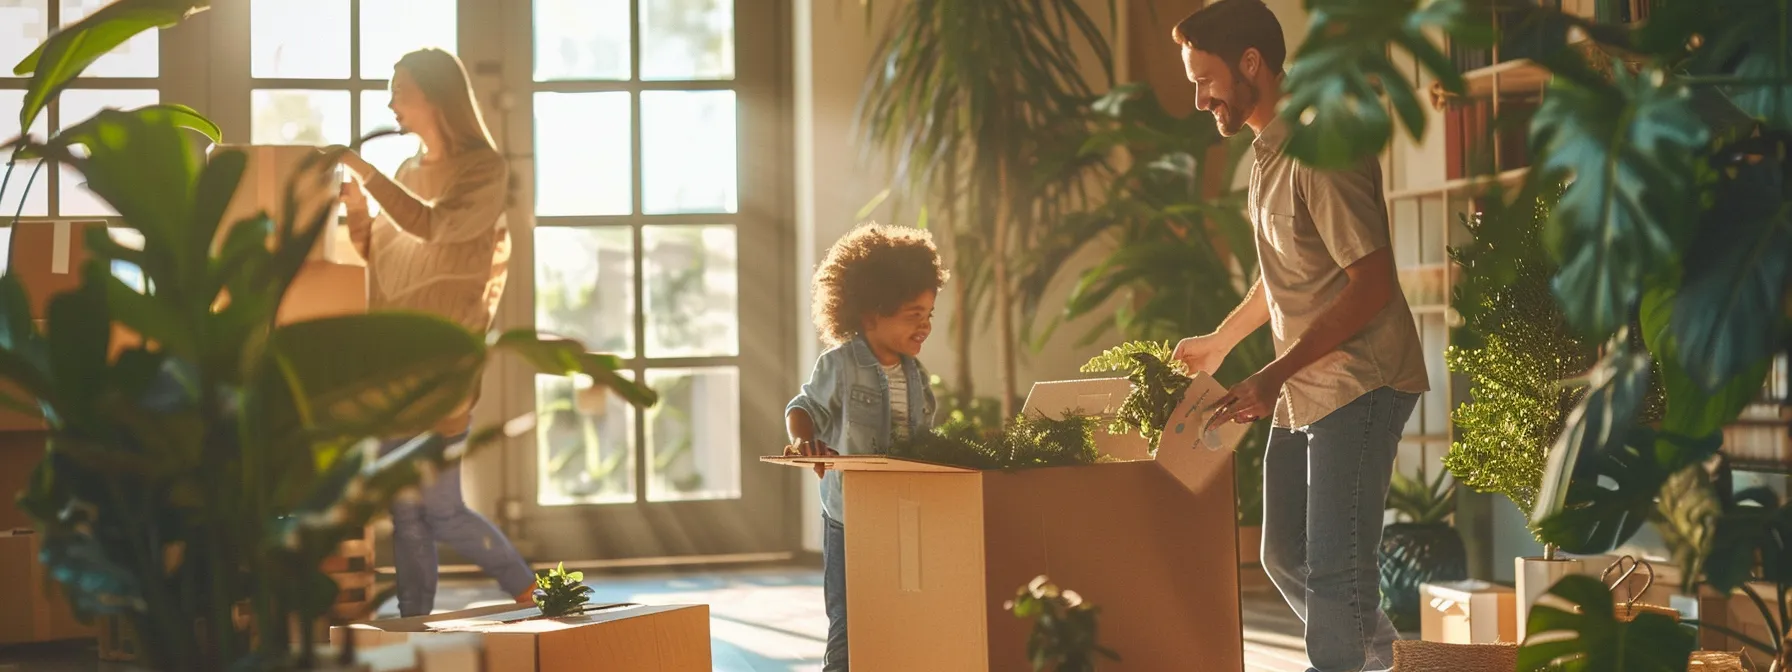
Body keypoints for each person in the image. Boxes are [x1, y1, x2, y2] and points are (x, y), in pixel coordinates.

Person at [1168, 2, 1429, 670]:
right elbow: (1287, 273)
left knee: (1338, 569)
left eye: (1207, 80)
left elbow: (1369, 283)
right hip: (1304, 381)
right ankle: (1391, 663)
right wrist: (1223, 342)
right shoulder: (1266, 152)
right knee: (1282, 551)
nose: (1201, 99)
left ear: (1251, 62)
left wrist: (1273, 373)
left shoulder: (1323, 147)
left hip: (1362, 379)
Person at [334, 47, 536, 618]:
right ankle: (413, 619)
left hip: (445, 365)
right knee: (404, 513)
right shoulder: (404, 173)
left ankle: (533, 591)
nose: (390, 102)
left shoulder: (483, 171)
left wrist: (365, 173)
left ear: (435, 98)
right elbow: (384, 256)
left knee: (442, 509)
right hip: (395, 363)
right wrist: (357, 208)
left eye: (400, 90)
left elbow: (436, 226)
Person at [784, 223, 947, 671]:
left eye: (930, 314)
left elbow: (922, 439)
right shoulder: (840, 364)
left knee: (897, 609)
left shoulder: (916, 376)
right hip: (849, 515)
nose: (926, 326)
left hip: (901, 510)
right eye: (914, 314)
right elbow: (805, 407)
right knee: (849, 618)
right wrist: (804, 441)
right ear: (871, 314)